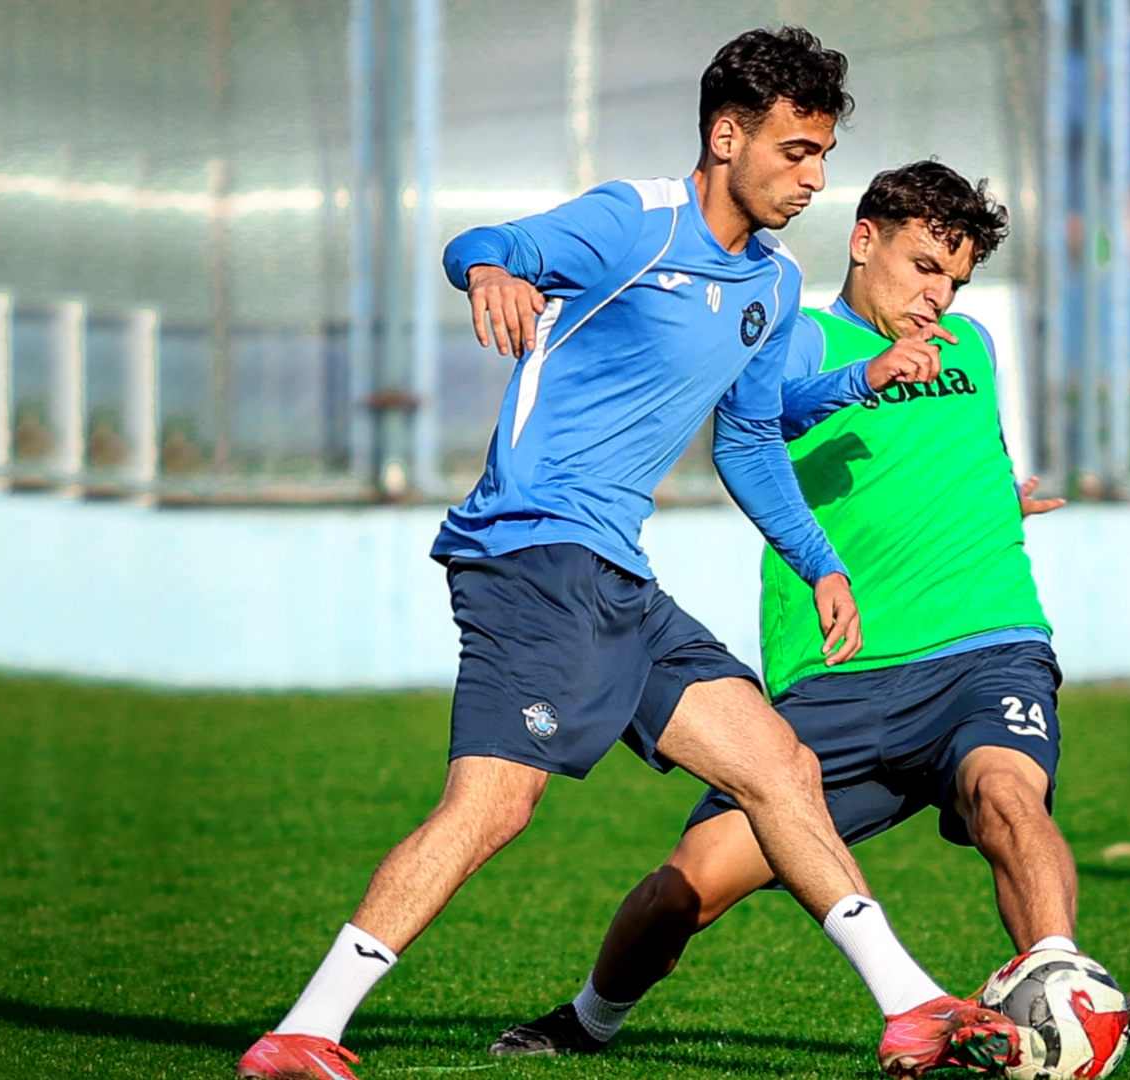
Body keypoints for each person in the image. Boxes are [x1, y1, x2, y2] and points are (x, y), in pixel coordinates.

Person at [236, 29, 1023, 1080]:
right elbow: (481, 243)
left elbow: (750, 438)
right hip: (531, 556)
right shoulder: (635, 222)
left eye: (822, 155)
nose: (813, 177)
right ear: (727, 136)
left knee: (780, 767)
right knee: (493, 806)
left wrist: (820, 561)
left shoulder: (773, 283)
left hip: (615, 575)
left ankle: (912, 1008)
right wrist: (488, 272)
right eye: (795, 151)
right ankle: (303, 1031)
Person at [489, 161, 1130, 1069]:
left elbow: (954, 452)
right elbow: (759, 424)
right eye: (925, 267)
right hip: (836, 681)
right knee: (688, 887)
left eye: (956, 279)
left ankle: (1065, 987)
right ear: (864, 240)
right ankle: (587, 1021)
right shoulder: (795, 338)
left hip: (984, 649)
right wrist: (865, 377)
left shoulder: (971, 346)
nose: (939, 295)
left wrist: (997, 497)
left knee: (1007, 795)